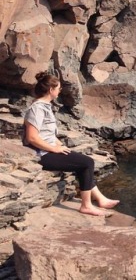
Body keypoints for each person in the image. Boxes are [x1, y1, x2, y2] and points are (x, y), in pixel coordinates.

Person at [23, 72, 120, 216]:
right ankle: (86, 206)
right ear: (51, 90)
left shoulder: (45, 107)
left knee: (81, 162)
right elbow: (32, 138)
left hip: (49, 150)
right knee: (87, 163)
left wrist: (60, 145)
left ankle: (100, 199)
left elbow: (47, 134)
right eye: (58, 88)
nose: (59, 91)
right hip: (42, 155)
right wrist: (54, 149)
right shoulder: (37, 109)